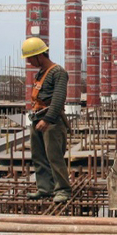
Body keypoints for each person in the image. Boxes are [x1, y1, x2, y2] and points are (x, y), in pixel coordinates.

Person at [22, 37, 72, 203]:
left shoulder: (58, 72)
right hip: (38, 118)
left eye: (30, 58)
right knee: (39, 156)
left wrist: (48, 119)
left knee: (54, 156)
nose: (29, 62)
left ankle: (63, 190)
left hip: (51, 121)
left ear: (39, 55)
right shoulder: (41, 73)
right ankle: (45, 188)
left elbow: (58, 99)